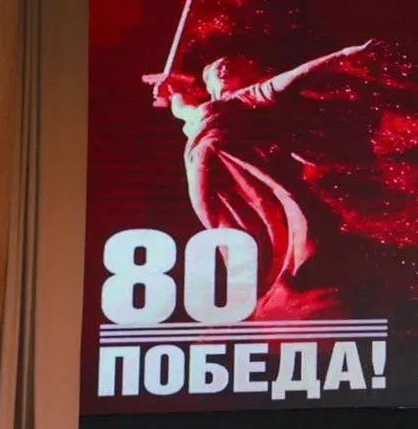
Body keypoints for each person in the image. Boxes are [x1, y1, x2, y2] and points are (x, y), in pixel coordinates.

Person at [147, 40, 377, 320]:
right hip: (204, 172)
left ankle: (284, 285)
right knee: (227, 230)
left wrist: (342, 55)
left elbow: (295, 76)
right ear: (208, 81)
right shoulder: (199, 112)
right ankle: (253, 296)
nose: (223, 69)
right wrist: (169, 89)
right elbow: (180, 106)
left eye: (231, 67)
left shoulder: (247, 98)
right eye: (218, 68)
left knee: (269, 222)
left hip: (241, 170)